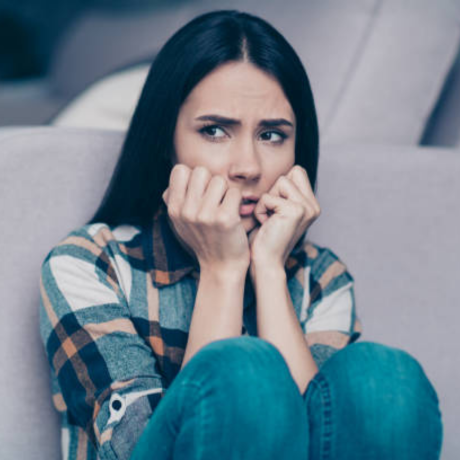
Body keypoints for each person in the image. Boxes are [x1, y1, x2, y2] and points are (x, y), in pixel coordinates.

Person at [38, 9, 443, 460]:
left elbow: (325, 443)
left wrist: (268, 269)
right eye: (214, 131)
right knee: (245, 373)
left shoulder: (321, 277)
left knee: (387, 380)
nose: (248, 167)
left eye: (271, 135)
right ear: (166, 141)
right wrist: (222, 270)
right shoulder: (90, 263)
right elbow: (132, 448)